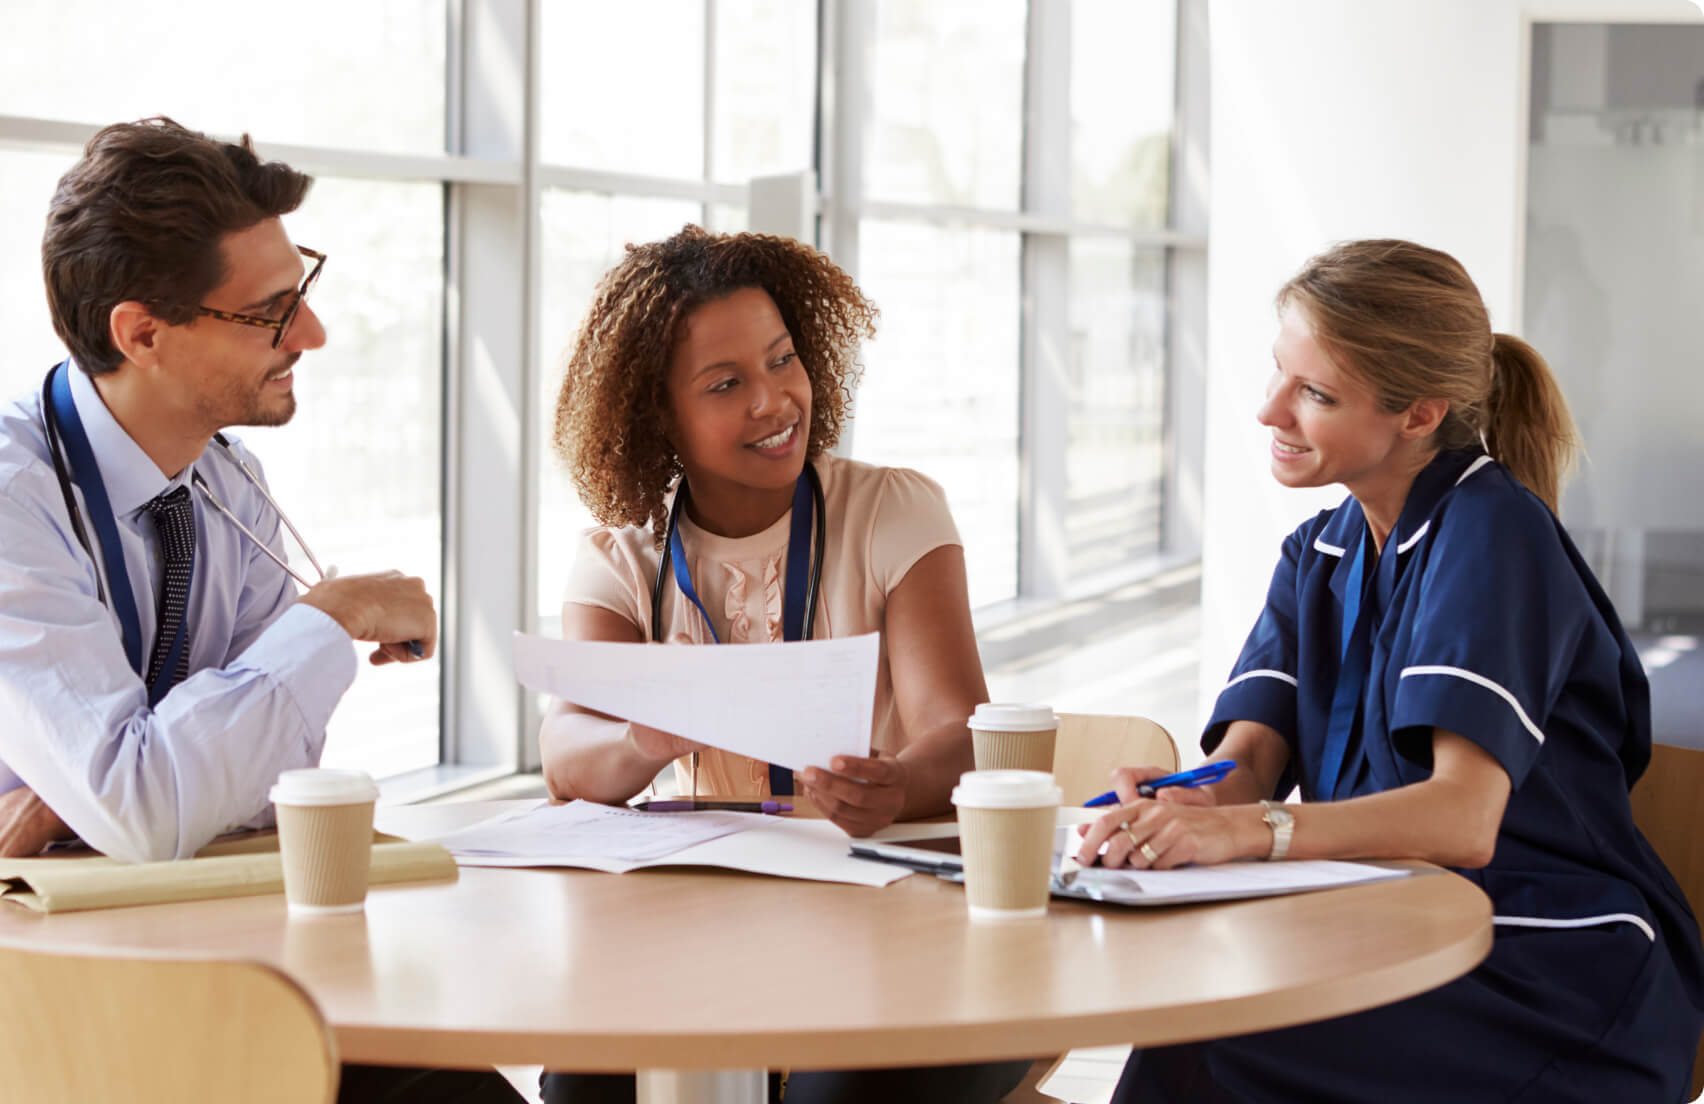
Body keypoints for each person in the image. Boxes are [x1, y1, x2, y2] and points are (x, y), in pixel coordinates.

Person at [0, 118, 519, 1104]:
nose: (313, 336)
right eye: (270, 313)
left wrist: (58, 798)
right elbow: (151, 807)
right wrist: (330, 617)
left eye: (304, 295)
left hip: (200, 940)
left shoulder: (226, 484)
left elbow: (252, 789)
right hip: (23, 986)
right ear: (142, 333)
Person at [1076, 239, 1704, 1102]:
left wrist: (1248, 830)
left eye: (1315, 394)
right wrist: (1183, 803)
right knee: (1185, 1042)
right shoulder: (1319, 553)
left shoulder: (1493, 532)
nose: (1269, 412)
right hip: (1387, 933)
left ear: (1417, 414)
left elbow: (1465, 821)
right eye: (1277, 375)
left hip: (1544, 966)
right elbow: (1250, 764)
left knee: (1208, 1055)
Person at [538, 225, 1028, 1104]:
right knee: (587, 1087)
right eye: (727, 385)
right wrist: (644, 737)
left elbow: (958, 729)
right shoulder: (623, 557)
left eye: (784, 361)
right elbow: (568, 757)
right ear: (658, 415)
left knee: (827, 1099)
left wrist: (895, 783)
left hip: (897, 918)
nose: (774, 402)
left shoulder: (891, 511)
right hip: (713, 918)